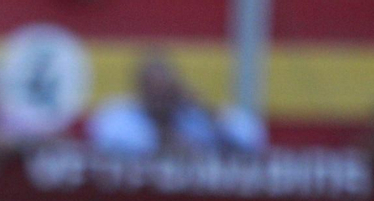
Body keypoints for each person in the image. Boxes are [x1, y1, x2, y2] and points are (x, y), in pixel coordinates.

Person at [87, 52, 264, 156]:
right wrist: (164, 138)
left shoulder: (194, 116)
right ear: (141, 90)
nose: (161, 99)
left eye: (166, 91)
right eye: (154, 90)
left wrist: (205, 109)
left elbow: (251, 138)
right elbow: (108, 142)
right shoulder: (119, 116)